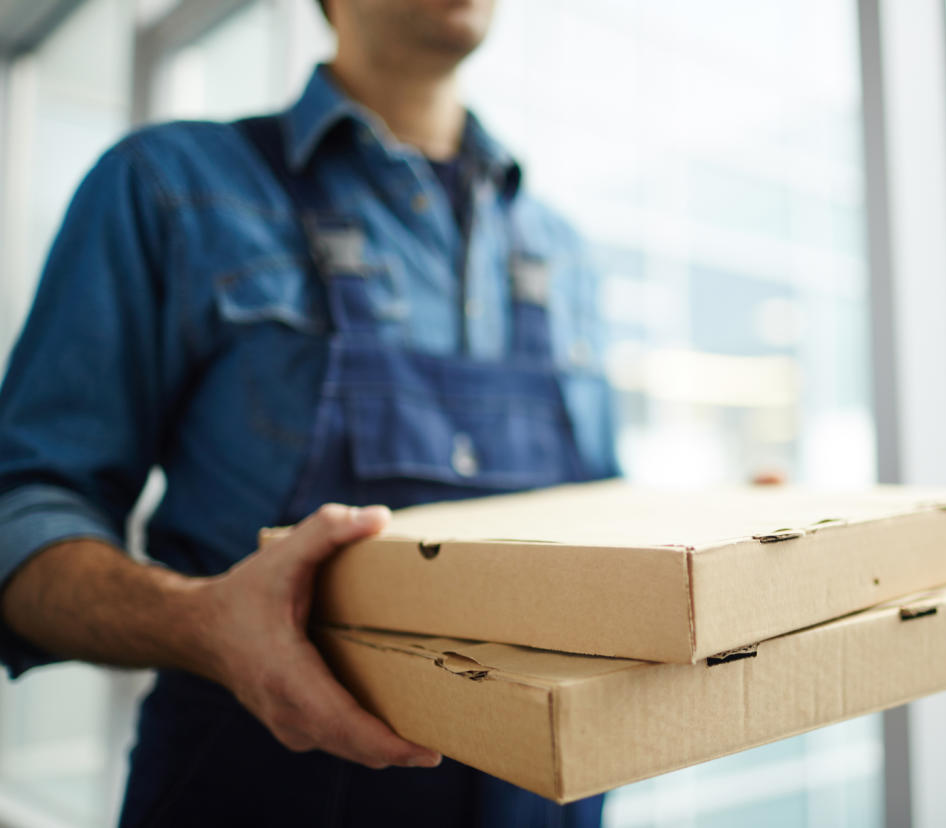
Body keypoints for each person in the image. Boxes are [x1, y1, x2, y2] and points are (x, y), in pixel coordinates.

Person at [0, 0, 618, 823]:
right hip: (260, 790)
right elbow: (21, 510)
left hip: (550, 796)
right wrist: (197, 624)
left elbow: (605, 519)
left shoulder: (562, 249)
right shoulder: (169, 185)